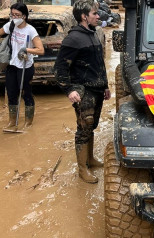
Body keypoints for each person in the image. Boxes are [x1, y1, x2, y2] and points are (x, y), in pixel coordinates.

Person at [54, 0, 110, 184]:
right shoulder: (73, 39)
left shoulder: (93, 34)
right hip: (83, 90)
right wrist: (69, 90)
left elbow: (99, 64)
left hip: (96, 89)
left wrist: (106, 86)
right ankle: (82, 169)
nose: (98, 16)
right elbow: (60, 68)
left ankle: (90, 159)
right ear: (84, 16)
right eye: (94, 13)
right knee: (83, 129)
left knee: (91, 126)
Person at [0, 3, 44, 131]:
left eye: (17, 15)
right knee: (12, 93)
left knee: (26, 93)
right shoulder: (10, 25)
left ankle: (28, 122)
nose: (14, 17)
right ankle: (12, 122)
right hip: (12, 65)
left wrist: (27, 50)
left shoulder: (30, 30)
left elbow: (40, 50)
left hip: (25, 66)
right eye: (12, 14)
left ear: (24, 16)